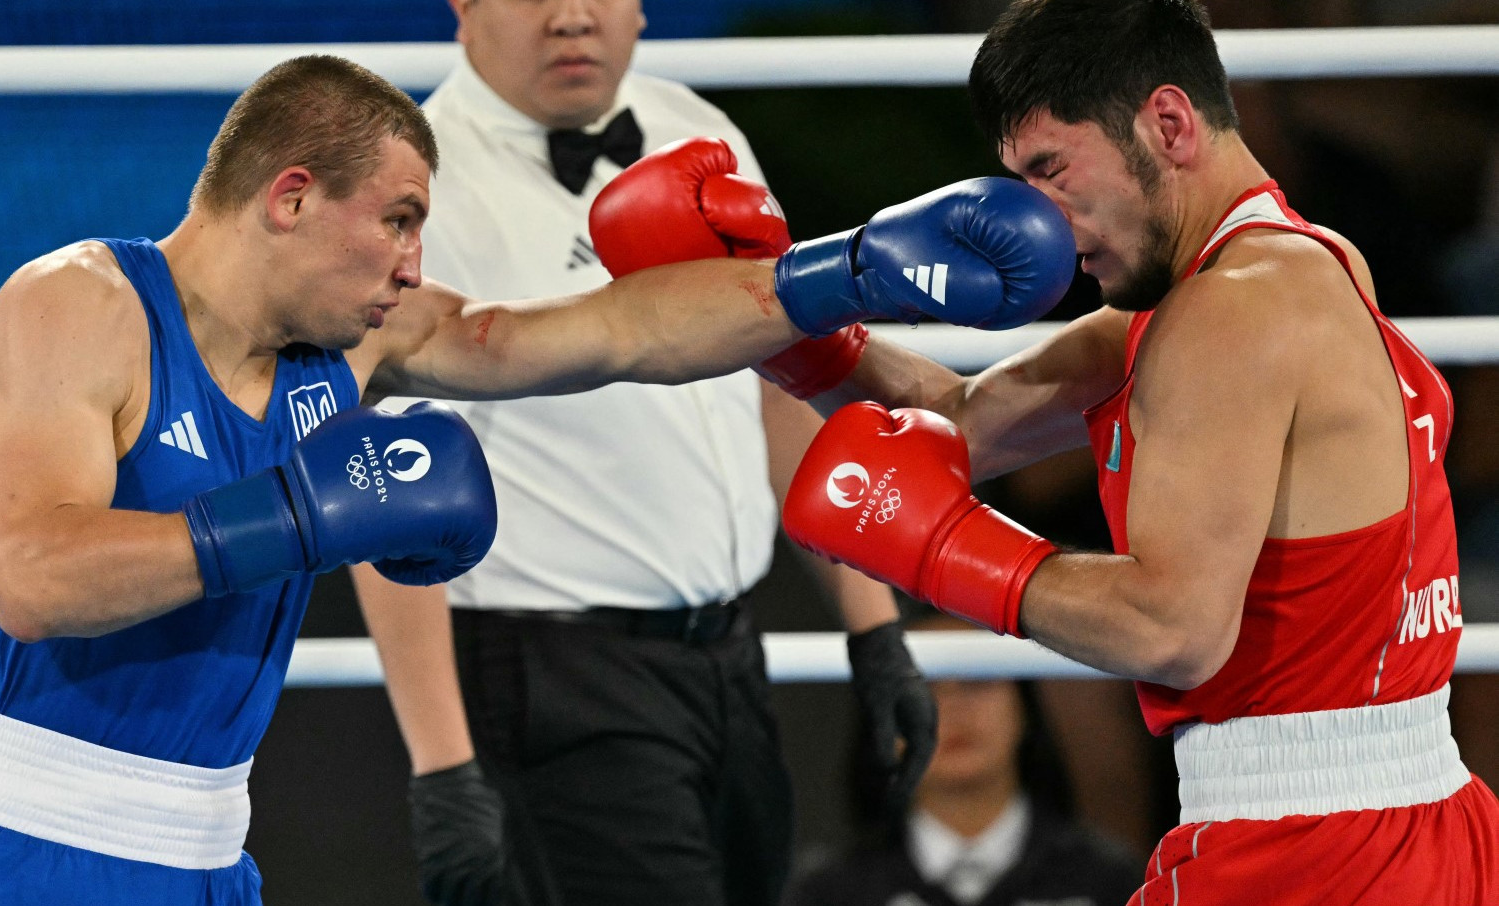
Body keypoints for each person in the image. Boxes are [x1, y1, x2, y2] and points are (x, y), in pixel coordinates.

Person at [0, 48, 1081, 905]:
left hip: (206, 849)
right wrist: (296, 514)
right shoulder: (76, 307)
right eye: (398, 220)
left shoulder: (352, 347)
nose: (415, 262)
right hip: (14, 841)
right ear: (290, 196)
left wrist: (835, 279)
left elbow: (613, 333)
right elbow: (31, 578)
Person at [718, 1, 1499, 902]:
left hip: (1306, 844)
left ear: (1168, 123)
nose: (1038, 224)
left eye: (1050, 170)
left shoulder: (1229, 311)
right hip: (1417, 818)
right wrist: (796, 325)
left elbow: (1172, 627)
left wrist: (940, 548)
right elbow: (955, 417)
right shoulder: (1293, 267)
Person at [347, 3, 936, 905]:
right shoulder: (417, 189)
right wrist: (445, 769)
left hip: (732, 656)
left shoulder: (698, 129)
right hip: (556, 680)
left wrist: (874, 626)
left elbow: (780, 375)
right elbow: (387, 493)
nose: (572, 17)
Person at [785, 612, 1143, 906]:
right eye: (919, 689)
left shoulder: (1112, 882)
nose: (951, 709)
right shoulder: (828, 893)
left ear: (1025, 706)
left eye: (977, 679)